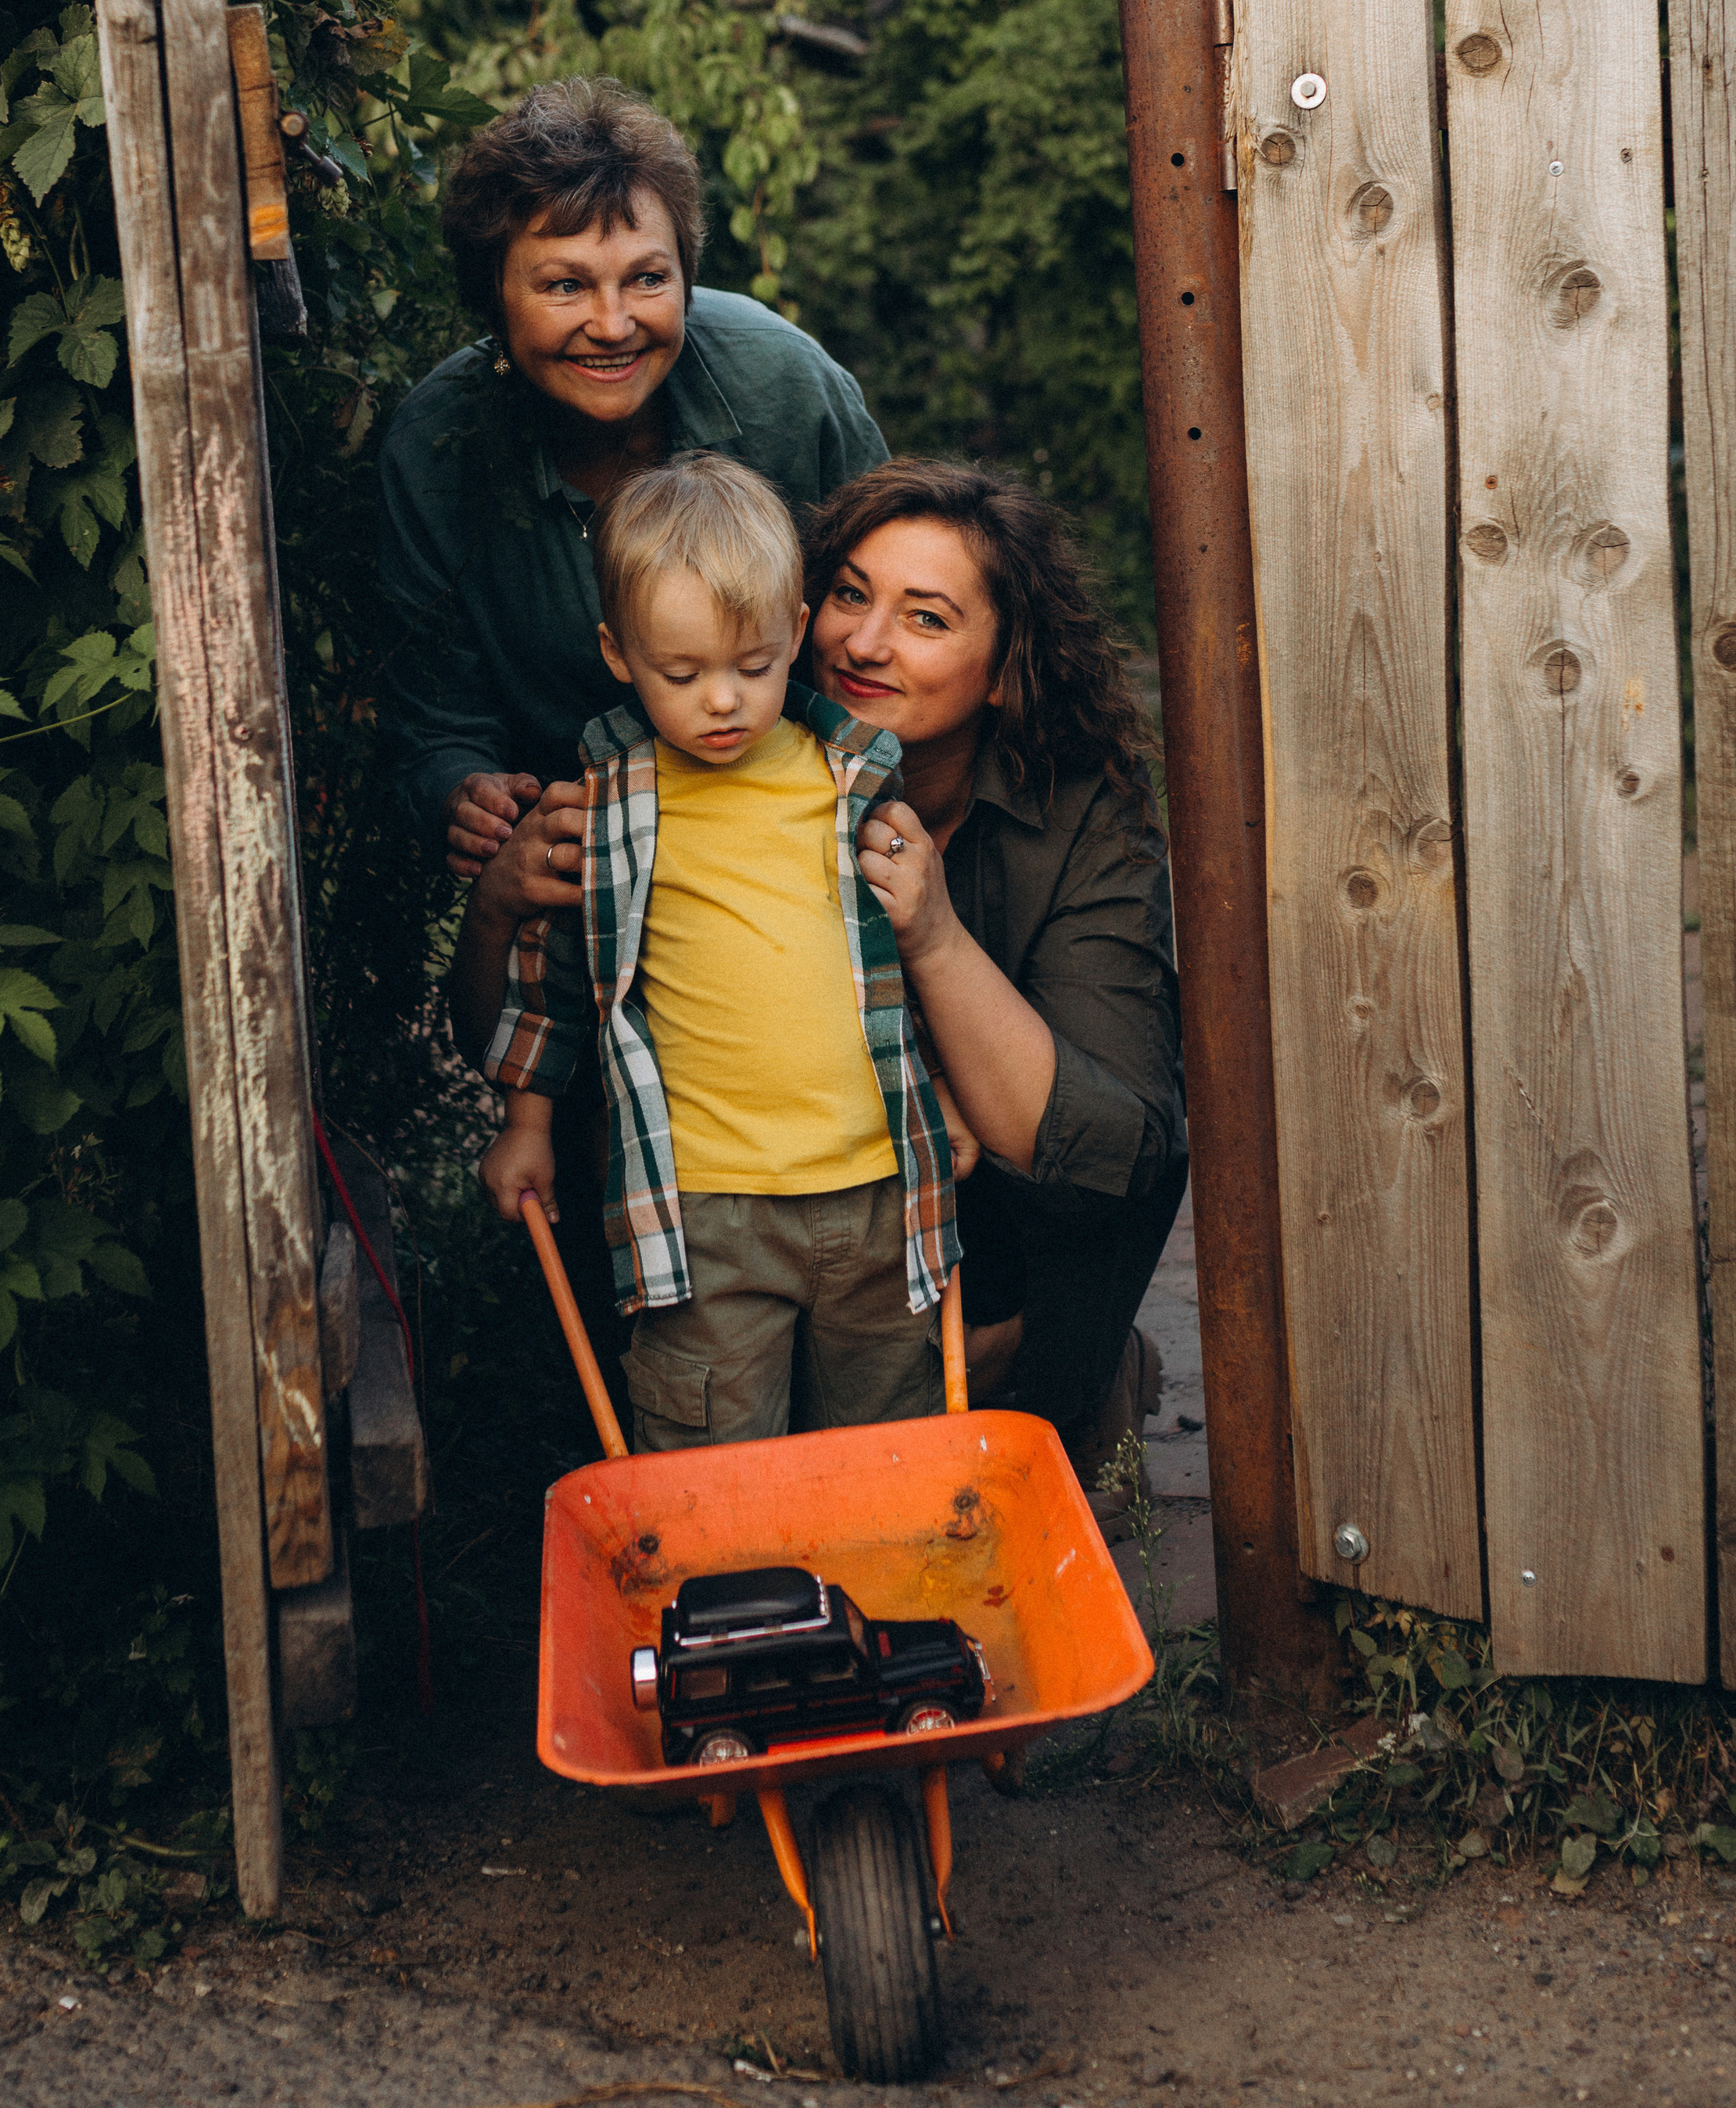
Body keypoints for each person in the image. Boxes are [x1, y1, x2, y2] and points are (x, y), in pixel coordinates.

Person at [473, 455, 966, 1451]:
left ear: (795, 629)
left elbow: (894, 966)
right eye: (683, 674)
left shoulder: (849, 782)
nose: (723, 703)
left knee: (884, 1457)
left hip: (878, 1193)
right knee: (713, 1460)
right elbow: (552, 978)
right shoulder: (614, 806)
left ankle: (874, 1564)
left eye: (753, 666)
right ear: (619, 654)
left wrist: (941, 1092)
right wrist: (526, 1123)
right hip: (702, 1213)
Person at [375, 77, 886, 899]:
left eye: (647, 279)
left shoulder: (786, 387)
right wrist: (464, 795)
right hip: (586, 866)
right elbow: (435, 722)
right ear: (492, 298)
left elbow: (887, 621)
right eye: (564, 285)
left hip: (811, 830)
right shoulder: (436, 452)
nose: (613, 326)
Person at [801, 460, 1186, 1477]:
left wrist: (933, 937)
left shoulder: (1082, 807)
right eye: (849, 595)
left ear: (1006, 670)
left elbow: (1109, 1149)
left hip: (1018, 1222)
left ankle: (1062, 1380)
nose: (864, 644)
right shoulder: (730, 762)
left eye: (924, 619)